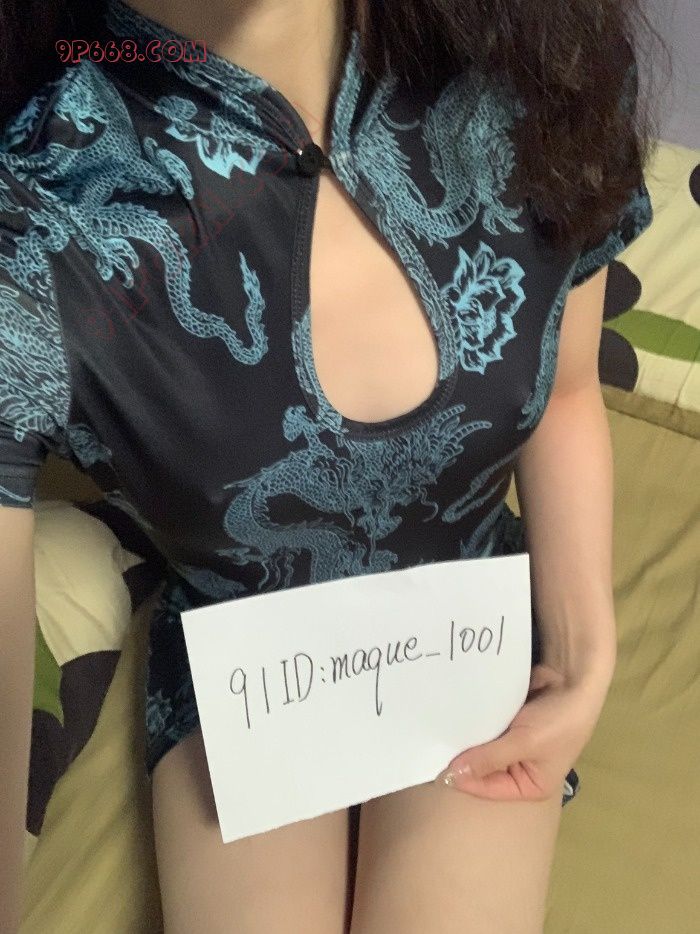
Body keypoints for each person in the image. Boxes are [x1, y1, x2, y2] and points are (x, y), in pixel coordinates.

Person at [0, 0, 657, 930]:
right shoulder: (32, 226)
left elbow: (565, 388)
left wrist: (584, 652)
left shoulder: (539, 57)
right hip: (243, 654)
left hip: (472, 613)